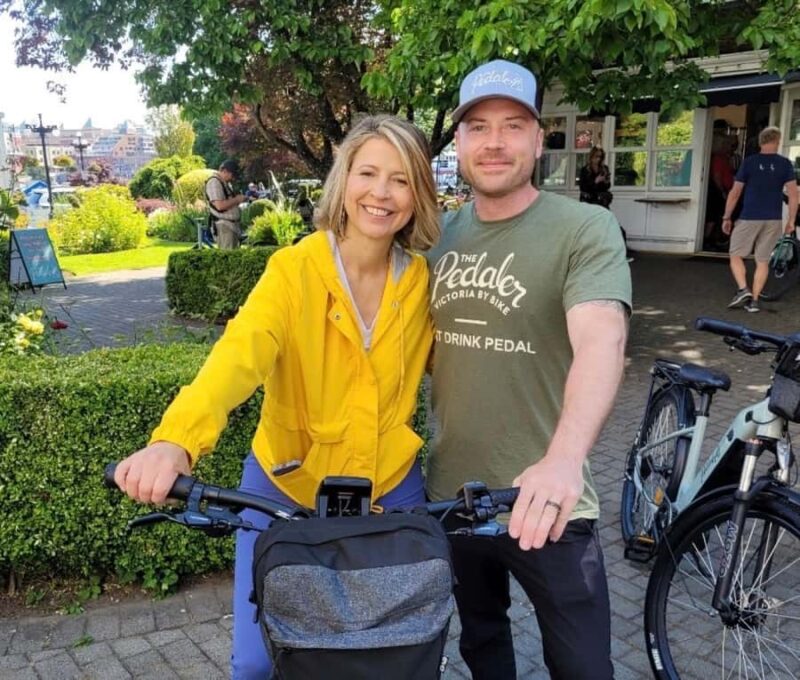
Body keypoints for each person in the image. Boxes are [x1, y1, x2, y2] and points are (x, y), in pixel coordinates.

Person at [112, 115, 440, 680]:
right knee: (258, 659)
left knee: (392, 647)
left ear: (419, 195)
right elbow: (238, 356)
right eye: (368, 173)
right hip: (285, 482)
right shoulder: (292, 271)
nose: (381, 193)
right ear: (344, 181)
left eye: (402, 179)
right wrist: (175, 442)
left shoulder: (421, 282)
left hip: (391, 485)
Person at [426, 59, 631, 679]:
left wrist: (565, 458)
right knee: (483, 646)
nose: (495, 142)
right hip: (454, 497)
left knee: (583, 666)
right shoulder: (434, 238)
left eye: (514, 125)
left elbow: (602, 338)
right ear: (458, 142)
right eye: (479, 126)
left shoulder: (584, 228)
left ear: (539, 140)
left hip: (550, 500)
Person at [722, 126, 798, 313]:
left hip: (749, 217)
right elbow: (794, 195)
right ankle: (754, 301)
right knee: (762, 260)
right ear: (777, 141)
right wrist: (791, 221)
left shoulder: (749, 163)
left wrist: (727, 216)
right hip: (773, 219)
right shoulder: (785, 164)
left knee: (736, 254)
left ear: (761, 142)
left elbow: (735, 192)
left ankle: (742, 289)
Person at [205, 159, 247, 249]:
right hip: (224, 227)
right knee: (228, 258)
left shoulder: (224, 183)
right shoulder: (214, 182)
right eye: (233, 175)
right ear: (225, 171)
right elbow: (219, 206)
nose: (233, 179)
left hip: (231, 227)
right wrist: (237, 199)